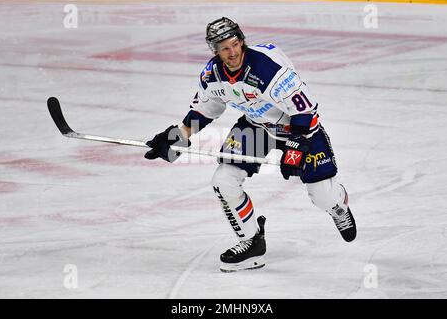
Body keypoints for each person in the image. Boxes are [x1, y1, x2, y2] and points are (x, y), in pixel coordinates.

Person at [144, 17, 356, 272]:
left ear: (242, 41)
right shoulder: (212, 75)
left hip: (299, 130)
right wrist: (176, 139)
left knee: (322, 197)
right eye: (224, 48)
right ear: (215, 51)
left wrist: (296, 146)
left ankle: (338, 204)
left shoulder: (267, 68)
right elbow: (204, 110)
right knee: (224, 179)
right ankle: (252, 242)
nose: (232, 53)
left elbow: (307, 111)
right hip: (256, 127)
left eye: (235, 44)